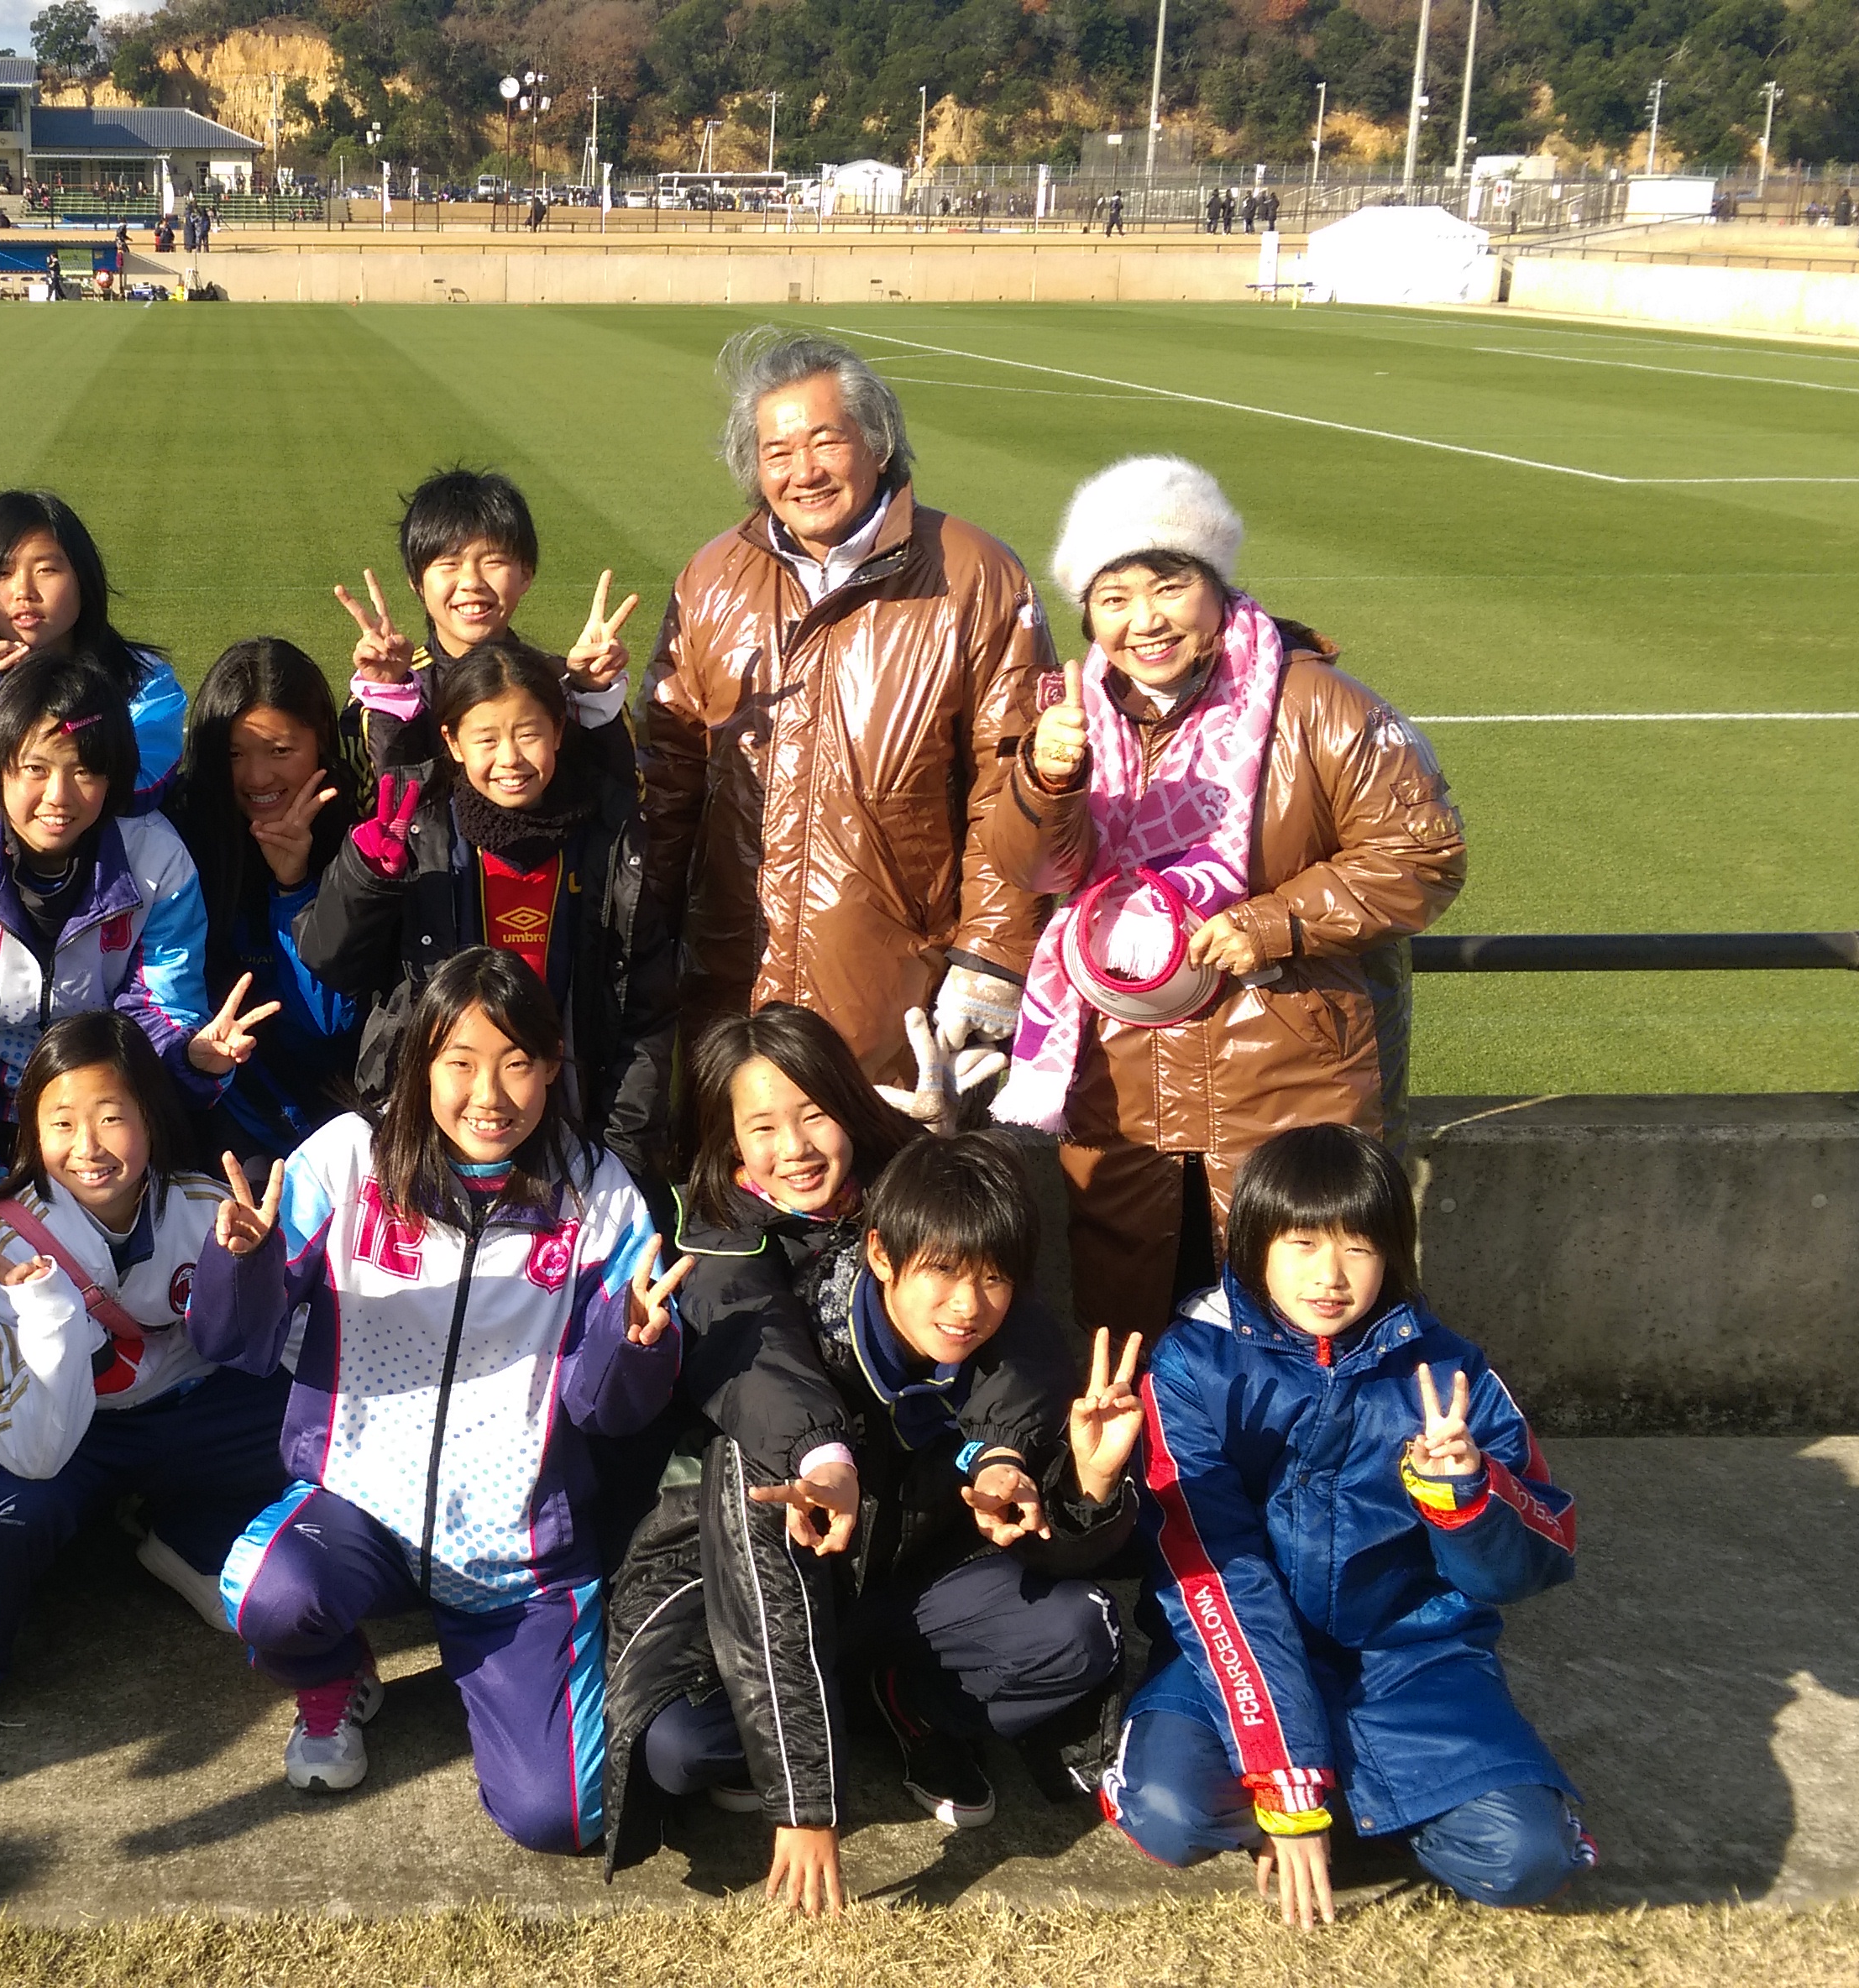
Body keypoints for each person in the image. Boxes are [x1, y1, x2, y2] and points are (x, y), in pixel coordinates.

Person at [607, 1062, 1141, 1909]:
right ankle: (838, 1708)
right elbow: (765, 1598)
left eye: (993, 1277)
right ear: (884, 1256)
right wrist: (805, 1805)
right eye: (943, 1272)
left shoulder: (1010, 1356)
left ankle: (908, 1701)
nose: (967, 1304)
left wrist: (1088, 1486)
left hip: (908, 1599)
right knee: (675, 1749)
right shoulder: (791, 1371)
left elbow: (1060, 1539)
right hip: (791, 1604)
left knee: (1080, 1636)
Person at [185, 948, 678, 1849]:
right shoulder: (345, 1159)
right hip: (357, 1507)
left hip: (515, 1553)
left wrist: (637, 1341)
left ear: (551, 1068)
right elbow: (228, 1341)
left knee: (561, 1818)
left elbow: (612, 1406)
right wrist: (243, 1259)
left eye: (516, 1062)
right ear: (420, 1064)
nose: (488, 1092)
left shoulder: (596, 1191)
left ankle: (495, 1672)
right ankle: (334, 1676)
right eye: (459, 1061)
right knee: (266, 1592)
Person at [982, 456, 1464, 1341]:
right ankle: (1131, 1485)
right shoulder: (1072, 711)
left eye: (1166, 586)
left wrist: (1275, 921)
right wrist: (1043, 781)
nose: (1143, 621)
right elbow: (1034, 870)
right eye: (1113, 597)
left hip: (1288, 1076)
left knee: (1299, 1329)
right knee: (1130, 1333)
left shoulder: (1317, 704)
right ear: (1087, 612)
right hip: (1122, 1084)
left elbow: (1422, 854)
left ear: (1213, 588)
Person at [1106, 1123, 1593, 1922]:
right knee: (1171, 1815)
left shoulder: (1450, 1372)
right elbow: (1217, 1572)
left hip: (1411, 1656)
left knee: (1524, 1859)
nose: (1330, 1277)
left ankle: (1366, 1793)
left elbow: (1533, 1565)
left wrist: (1465, 1498)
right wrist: (1286, 1776)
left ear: (1394, 1252)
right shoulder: (1192, 1362)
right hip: (1237, 1657)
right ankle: (1319, 1781)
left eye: (1359, 1248)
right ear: (1255, 1244)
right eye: (1301, 1244)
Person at [636, 327, 1055, 1109]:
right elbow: (669, 775)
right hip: (734, 976)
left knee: (886, 1205)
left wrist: (992, 957)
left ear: (878, 441)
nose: (803, 472)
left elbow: (1017, 781)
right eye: (777, 452)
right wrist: (639, 934)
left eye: (825, 441)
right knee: (746, 1198)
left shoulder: (973, 574)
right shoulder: (710, 578)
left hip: (895, 982)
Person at [0, 1012, 296, 1758]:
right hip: (59, 1433)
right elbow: (33, 1448)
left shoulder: (206, 1206)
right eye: (61, 1123)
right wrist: (50, 1320)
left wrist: (247, 1271)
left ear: (152, 1116)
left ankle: (185, 1541)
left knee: (309, 1427)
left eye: (112, 1118)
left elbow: (241, 1352)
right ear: (31, 1131)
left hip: (186, 1415)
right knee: (1, 1517)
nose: (87, 1148)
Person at [297, 634, 673, 1186]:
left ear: (560, 732)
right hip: (432, 1127)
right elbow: (331, 962)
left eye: (528, 735)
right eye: (486, 738)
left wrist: (620, 1159)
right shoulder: (420, 832)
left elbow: (645, 1017)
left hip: (571, 1132)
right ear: (451, 742)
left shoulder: (609, 843)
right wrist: (365, 876)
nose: (510, 759)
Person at [0, 652, 241, 1190]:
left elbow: (159, 1011)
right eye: (35, 768)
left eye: (85, 770)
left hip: (99, 1127)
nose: (58, 798)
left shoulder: (158, 860)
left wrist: (189, 1057)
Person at [164, 637, 369, 1160]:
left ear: (320, 740)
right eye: (234, 754)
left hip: (339, 1114)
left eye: (281, 751)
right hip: (218, 1096)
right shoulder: (180, 835)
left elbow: (327, 1024)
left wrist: (294, 888)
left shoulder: (358, 833)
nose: (258, 777)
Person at [330, 467, 636, 772]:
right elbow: (370, 806)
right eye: (449, 564)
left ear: (525, 574)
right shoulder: (386, 689)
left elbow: (625, 796)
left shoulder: (560, 682)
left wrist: (590, 695)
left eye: (493, 562)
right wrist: (392, 695)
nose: (471, 582)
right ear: (416, 582)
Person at [0, 489, 186, 815]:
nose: (23, 592)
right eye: (2, 574)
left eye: (46, 570)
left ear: (83, 578)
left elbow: (139, 790)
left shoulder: (144, 682)